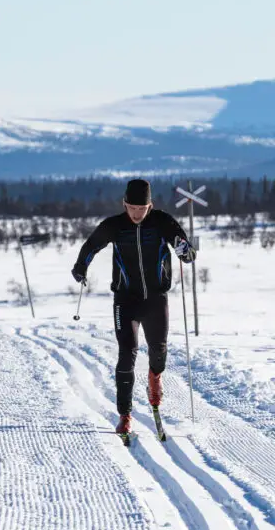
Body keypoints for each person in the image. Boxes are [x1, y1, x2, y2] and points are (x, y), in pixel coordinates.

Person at [71, 178, 197, 436]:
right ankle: (125, 415)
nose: (137, 214)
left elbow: (187, 251)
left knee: (158, 350)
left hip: (156, 299)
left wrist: (186, 252)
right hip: (125, 299)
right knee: (127, 352)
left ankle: (155, 377)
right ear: (124, 204)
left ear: (150, 205)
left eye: (142, 208)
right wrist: (80, 267)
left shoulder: (162, 222)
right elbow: (91, 245)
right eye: (132, 208)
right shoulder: (115, 225)